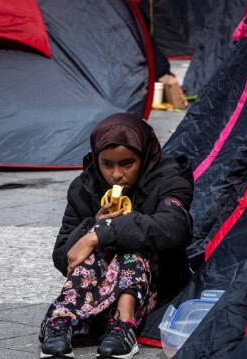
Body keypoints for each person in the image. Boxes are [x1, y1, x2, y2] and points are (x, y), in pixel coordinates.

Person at [39, 113, 193, 359]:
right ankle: (61, 320)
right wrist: (94, 226)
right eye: (107, 164)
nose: (116, 175)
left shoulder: (169, 178)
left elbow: (176, 227)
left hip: (155, 284)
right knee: (99, 242)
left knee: (130, 242)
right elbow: (64, 257)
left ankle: (124, 324)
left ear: (143, 158)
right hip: (97, 285)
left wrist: (104, 232)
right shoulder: (84, 187)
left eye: (127, 164)